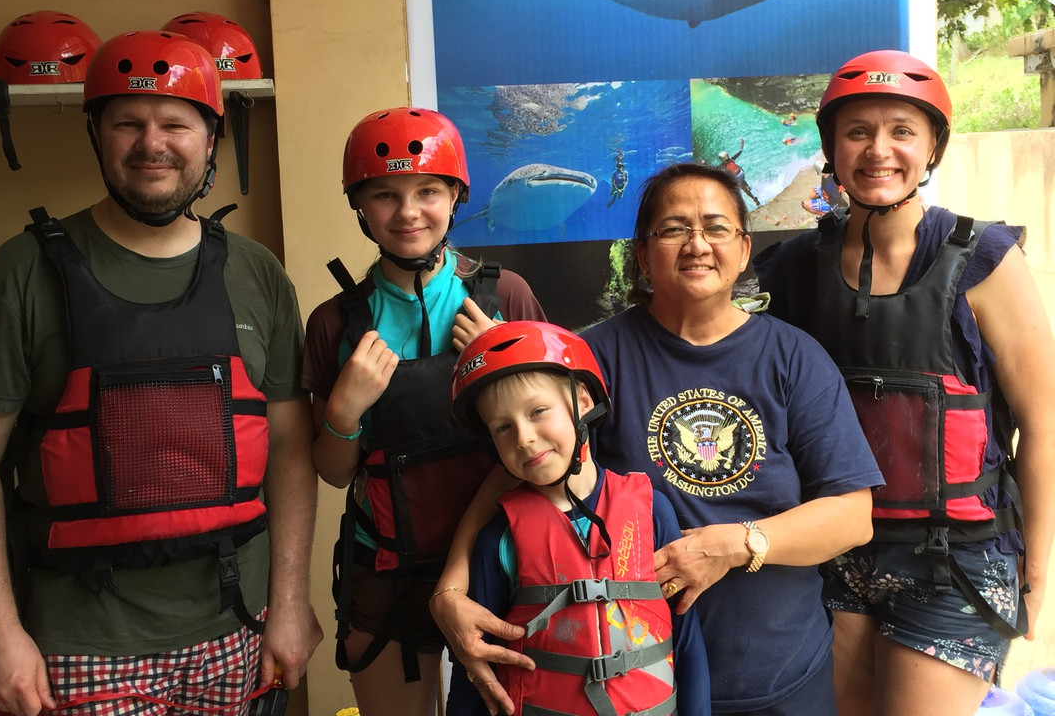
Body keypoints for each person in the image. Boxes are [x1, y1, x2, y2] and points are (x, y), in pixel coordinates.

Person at [432, 162, 882, 716]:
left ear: (744, 250)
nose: (697, 244)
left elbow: (852, 514)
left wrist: (736, 544)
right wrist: (450, 592)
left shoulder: (795, 358)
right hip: (629, 686)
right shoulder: (590, 358)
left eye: (717, 227)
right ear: (642, 255)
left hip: (781, 677)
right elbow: (517, 466)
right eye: (673, 229)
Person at [0, 30, 322, 716]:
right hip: (78, 642)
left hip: (237, 628)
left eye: (175, 123)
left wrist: (288, 602)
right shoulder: (22, 271)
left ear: (211, 137)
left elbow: (289, 446)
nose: (151, 144)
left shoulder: (258, 275)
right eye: (127, 123)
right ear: (96, 134)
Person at [753, 50, 1055, 716]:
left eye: (901, 131)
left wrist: (1037, 567)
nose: (878, 150)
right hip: (835, 548)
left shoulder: (986, 261)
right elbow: (708, 330)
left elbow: (1042, 423)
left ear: (932, 147)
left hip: (959, 559)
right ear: (832, 146)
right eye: (858, 131)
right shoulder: (796, 267)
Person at [302, 107, 545, 716]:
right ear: (360, 205)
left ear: (456, 196)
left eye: (427, 191)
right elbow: (333, 471)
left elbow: (554, 445)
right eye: (386, 194)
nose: (408, 213)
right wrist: (345, 407)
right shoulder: (335, 322)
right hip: (384, 571)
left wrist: (502, 365)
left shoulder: (506, 295)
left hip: (504, 556)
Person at [447, 321, 712, 716]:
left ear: (583, 402)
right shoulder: (498, 538)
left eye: (538, 411)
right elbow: (475, 665)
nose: (523, 437)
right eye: (503, 427)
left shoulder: (652, 511)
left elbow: (686, 640)